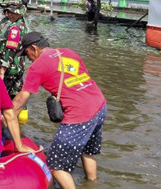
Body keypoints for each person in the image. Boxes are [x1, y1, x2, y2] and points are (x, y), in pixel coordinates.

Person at [12, 32, 107, 189]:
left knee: (56, 166)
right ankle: (92, 183)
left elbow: (19, 101)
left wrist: (4, 120)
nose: (27, 58)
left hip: (80, 114)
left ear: (33, 48)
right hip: (100, 104)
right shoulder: (69, 52)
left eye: (27, 54)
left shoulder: (37, 66)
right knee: (86, 151)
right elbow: (82, 78)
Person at [0, 2, 28, 99]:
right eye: (8, 12)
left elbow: (10, 51)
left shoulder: (16, 28)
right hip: (4, 62)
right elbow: (0, 40)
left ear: (19, 13)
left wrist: (2, 71)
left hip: (10, 67)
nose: (9, 15)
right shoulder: (7, 22)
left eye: (12, 13)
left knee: (4, 96)